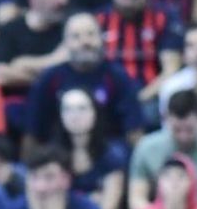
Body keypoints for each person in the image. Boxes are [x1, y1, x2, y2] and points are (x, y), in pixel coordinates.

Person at [25, 11, 143, 148]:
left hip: (108, 150)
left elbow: (134, 129)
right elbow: (33, 130)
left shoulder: (118, 76)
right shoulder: (50, 78)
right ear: (65, 43)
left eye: (91, 35)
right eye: (76, 37)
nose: (85, 42)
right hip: (61, 150)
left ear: (101, 39)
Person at [97, 0, 183, 105]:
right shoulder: (98, 19)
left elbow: (171, 70)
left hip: (150, 96)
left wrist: (139, 99)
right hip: (106, 96)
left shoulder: (164, 18)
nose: (128, 4)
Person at [0, 0, 70, 95]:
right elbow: (0, 76)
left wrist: (24, 64)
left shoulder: (68, 28)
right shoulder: (11, 30)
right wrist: (50, 66)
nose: (63, 1)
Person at [59, 87, 128, 209]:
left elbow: (109, 208)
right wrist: (90, 200)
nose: (75, 115)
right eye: (68, 109)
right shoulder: (52, 156)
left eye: (82, 108)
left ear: (94, 112)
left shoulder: (112, 154)